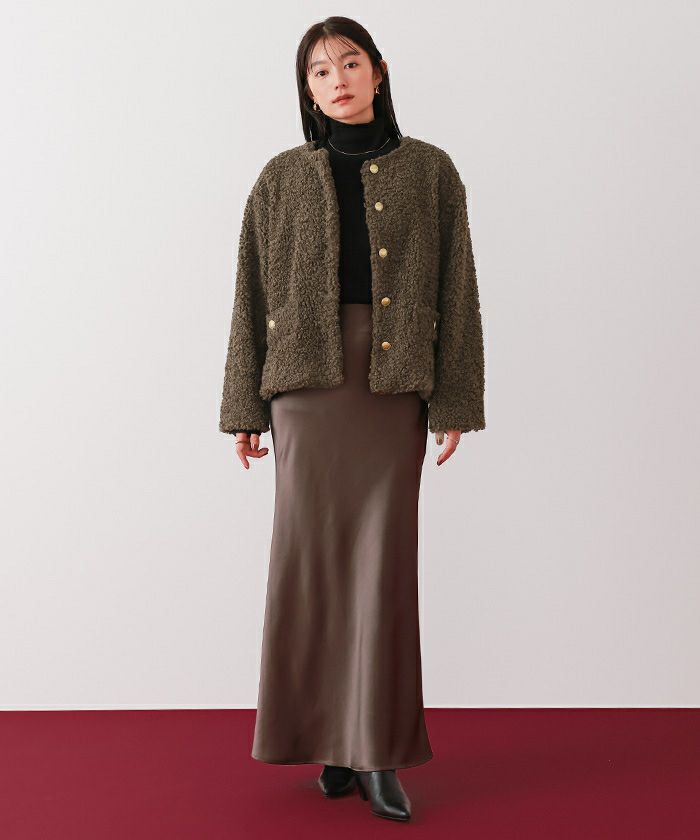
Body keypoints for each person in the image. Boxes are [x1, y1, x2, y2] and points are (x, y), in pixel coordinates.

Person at [219, 16, 486, 822]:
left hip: (392, 384)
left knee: (383, 568)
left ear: (378, 70)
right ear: (307, 90)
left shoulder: (431, 171)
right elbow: (250, 292)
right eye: (319, 71)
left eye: (350, 62)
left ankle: (376, 752)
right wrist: (244, 405)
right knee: (309, 567)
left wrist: (455, 398)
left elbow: (457, 289)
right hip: (305, 389)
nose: (337, 79)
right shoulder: (279, 178)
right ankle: (326, 742)